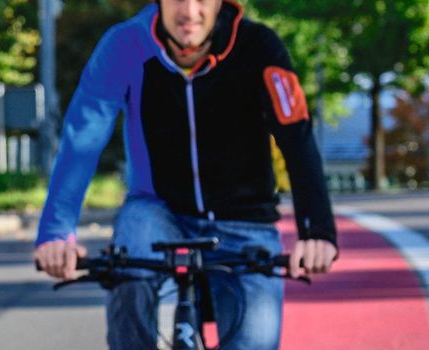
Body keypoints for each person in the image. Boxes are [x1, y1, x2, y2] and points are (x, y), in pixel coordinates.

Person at [32, 1, 338, 348]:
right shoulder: (124, 45)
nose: (189, 12)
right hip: (158, 210)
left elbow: (296, 137)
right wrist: (57, 234)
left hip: (245, 221)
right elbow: (83, 137)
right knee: (130, 278)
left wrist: (318, 232)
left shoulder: (261, 47)